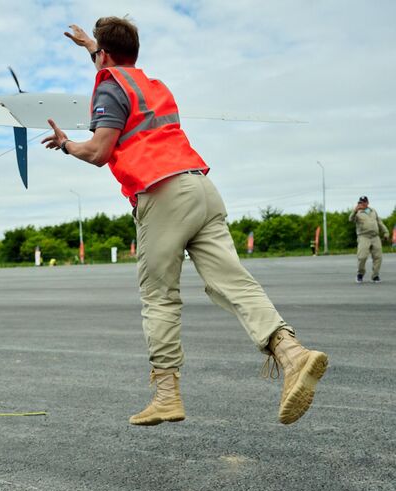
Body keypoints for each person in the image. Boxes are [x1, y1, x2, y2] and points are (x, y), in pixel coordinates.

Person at [42, 17, 328, 426]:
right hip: (202, 189)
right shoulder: (152, 86)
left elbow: (101, 151)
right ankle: (292, 353)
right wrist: (91, 44)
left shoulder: (109, 86)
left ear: (105, 57)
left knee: (158, 295)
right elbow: (113, 67)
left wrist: (67, 144)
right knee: (232, 280)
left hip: (162, 193)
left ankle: (166, 394)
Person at [349, 196, 389, 283]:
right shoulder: (357, 212)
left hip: (375, 236)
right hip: (363, 236)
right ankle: (360, 274)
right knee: (362, 257)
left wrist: (386, 232)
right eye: (360, 202)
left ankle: (375, 276)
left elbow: (379, 222)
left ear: (367, 203)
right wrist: (355, 211)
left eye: (363, 202)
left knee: (378, 257)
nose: (361, 204)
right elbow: (350, 219)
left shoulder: (373, 211)